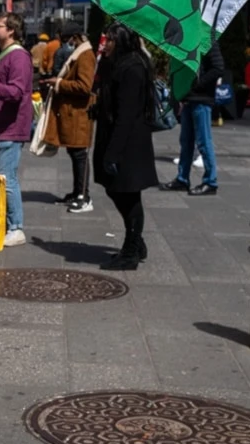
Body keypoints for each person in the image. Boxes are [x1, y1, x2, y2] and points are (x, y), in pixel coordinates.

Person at [91, 25, 158, 270]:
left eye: (110, 40)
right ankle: (135, 242)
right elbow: (112, 98)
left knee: (128, 195)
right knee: (115, 190)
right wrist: (98, 108)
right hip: (115, 137)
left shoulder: (133, 67)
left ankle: (131, 250)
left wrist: (114, 153)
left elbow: (127, 114)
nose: (105, 44)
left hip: (128, 143)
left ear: (121, 41)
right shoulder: (117, 63)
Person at [0, 11, 35, 245]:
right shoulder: (2, 54)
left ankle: (16, 227)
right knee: (2, 178)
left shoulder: (18, 57)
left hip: (10, 127)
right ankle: (8, 224)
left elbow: (17, 91)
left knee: (6, 178)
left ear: (11, 29)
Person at [38, 21, 96, 212]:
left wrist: (59, 83)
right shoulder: (78, 52)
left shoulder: (85, 55)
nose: (65, 43)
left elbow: (84, 86)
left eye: (66, 39)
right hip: (72, 114)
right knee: (74, 153)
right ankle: (76, 191)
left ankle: (83, 195)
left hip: (79, 114)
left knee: (80, 155)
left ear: (75, 37)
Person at [164, 40, 225, 196]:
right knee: (186, 141)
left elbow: (218, 67)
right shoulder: (189, 37)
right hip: (190, 97)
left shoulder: (207, 39)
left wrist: (197, 84)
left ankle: (210, 181)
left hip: (201, 98)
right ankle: (183, 178)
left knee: (203, 141)